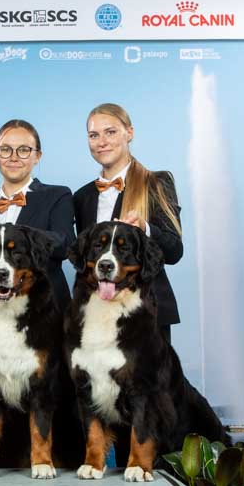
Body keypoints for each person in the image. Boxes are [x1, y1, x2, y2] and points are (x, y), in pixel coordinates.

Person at [74, 103, 183, 342]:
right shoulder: (81, 197)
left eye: (110, 132)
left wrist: (145, 228)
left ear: (129, 133)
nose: (101, 142)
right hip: (97, 316)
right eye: (94, 135)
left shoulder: (156, 183)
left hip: (147, 313)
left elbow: (174, 251)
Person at [0, 119, 76, 311]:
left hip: (46, 311)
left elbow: (65, 244)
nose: (14, 157)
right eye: (5, 149)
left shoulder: (57, 195)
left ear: (37, 156)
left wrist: (20, 235)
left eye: (24, 150)